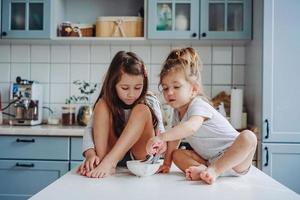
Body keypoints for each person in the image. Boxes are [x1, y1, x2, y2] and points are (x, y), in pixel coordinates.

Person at [146, 47, 257, 184]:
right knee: (177, 154)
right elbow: (174, 141)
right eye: (165, 88)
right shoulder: (177, 112)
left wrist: (161, 136)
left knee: (249, 137)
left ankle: (214, 171)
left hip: (234, 158)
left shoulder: (198, 104)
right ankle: (202, 170)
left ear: (193, 89)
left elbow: (191, 127)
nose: (169, 93)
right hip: (210, 161)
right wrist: (167, 164)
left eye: (176, 87)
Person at [77, 51, 165, 178]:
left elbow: (161, 133)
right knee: (102, 105)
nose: (131, 94)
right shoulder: (105, 102)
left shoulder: (150, 100)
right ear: (113, 84)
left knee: (142, 110)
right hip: (107, 155)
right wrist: (91, 155)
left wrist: (160, 143)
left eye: (138, 87)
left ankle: (108, 162)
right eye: (125, 88)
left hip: (139, 158)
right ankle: (104, 163)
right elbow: (90, 130)